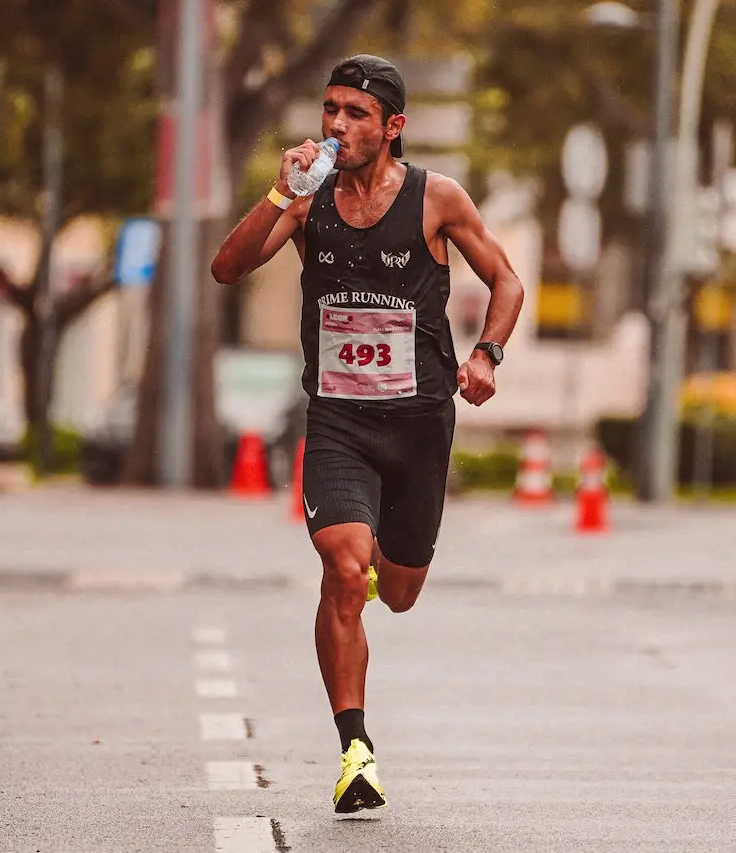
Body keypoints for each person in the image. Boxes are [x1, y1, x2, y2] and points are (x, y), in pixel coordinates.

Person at [210, 54, 525, 815]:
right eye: (330, 109)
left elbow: (507, 281)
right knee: (344, 568)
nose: (337, 126)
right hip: (340, 420)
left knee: (401, 590)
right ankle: (356, 749)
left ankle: (379, 561)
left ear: (393, 127)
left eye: (355, 113)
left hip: (419, 425)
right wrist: (282, 191)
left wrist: (486, 354)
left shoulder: (435, 199)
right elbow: (227, 267)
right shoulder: (305, 198)